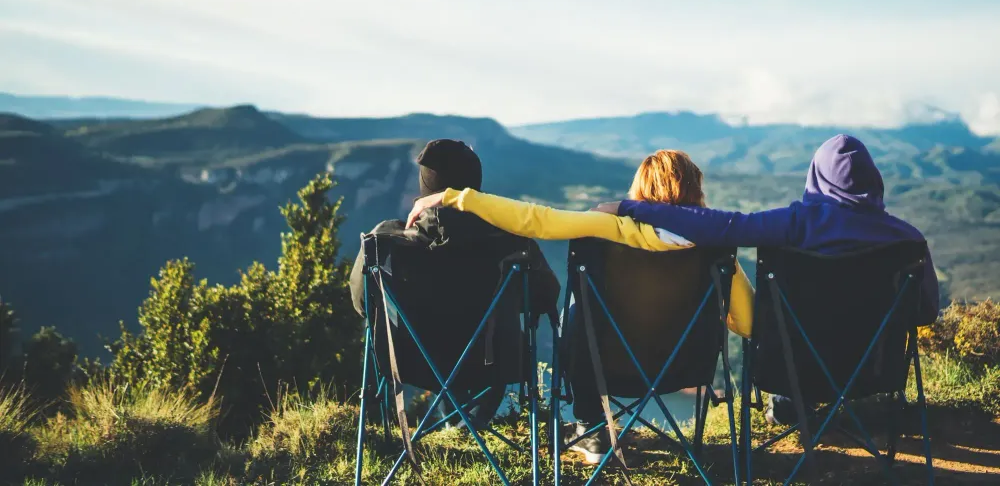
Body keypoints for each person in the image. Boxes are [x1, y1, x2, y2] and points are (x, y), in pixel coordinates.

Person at [406, 149, 755, 463]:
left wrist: (454, 198)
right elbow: (748, 323)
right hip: (683, 369)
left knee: (579, 307)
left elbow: (534, 218)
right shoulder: (716, 251)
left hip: (603, 365)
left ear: (641, 191)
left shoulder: (609, 229)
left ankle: (591, 425)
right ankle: (600, 428)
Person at [599, 134, 941, 425]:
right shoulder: (908, 240)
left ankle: (791, 403)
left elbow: (719, 227)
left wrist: (636, 207)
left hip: (795, 369)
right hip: (874, 371)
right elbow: (924, 312)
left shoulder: (794, 225)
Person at [350, 139, 560, 429]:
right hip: (491, 361)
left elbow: (363, 305)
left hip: (412, 359)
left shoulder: (385, 242)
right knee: (483, 352)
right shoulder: (512, 240)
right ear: (476, 185)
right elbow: (544, 299)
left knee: (442, 362)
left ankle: (458, 425)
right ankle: (469, 423)